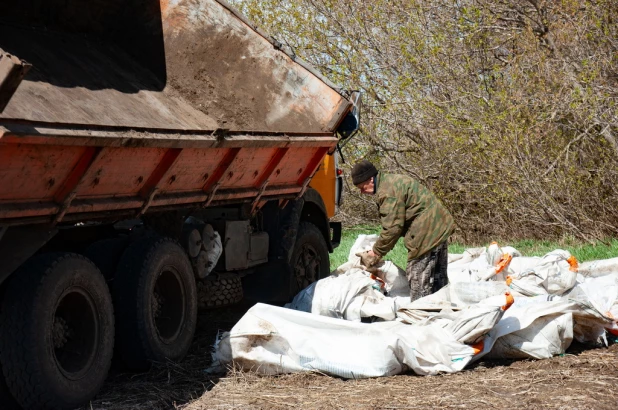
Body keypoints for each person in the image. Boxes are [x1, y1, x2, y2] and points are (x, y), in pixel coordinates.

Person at [351, 159, 454, 301]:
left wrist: (375, 253)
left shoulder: (387, 192)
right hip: (440, 226)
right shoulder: (391, 181)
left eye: (362, 187)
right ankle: (442, 313)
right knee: (438, 281)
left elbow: (393, 228)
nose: (362, 192)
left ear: (370, 179)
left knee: (418, 281)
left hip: (426, 232)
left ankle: (420, 316)